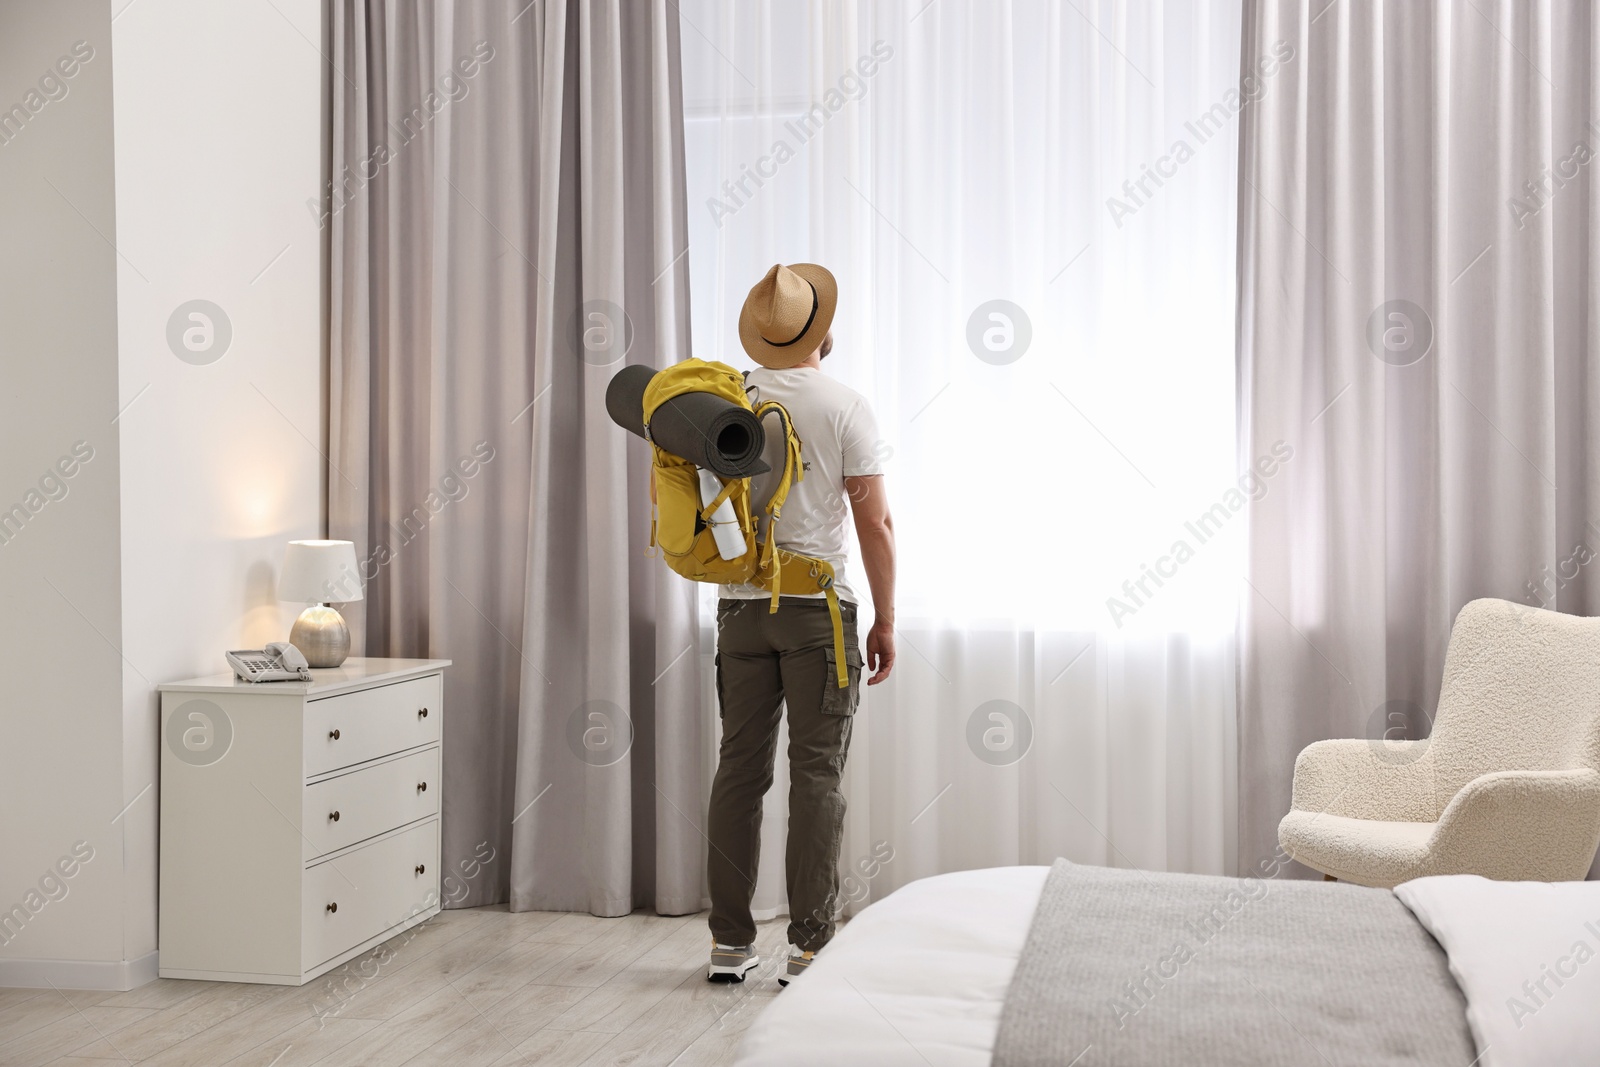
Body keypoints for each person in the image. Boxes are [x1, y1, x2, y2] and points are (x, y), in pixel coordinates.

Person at [706, 262, 897, 986]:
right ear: (823, 331)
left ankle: (729, 943)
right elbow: (874, 522)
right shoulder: (844, 404)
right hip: (820, 612)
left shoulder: (726, 401)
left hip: (740, 611)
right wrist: (885, 616)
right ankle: (809, 946)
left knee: (738, 772)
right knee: (816, 775)